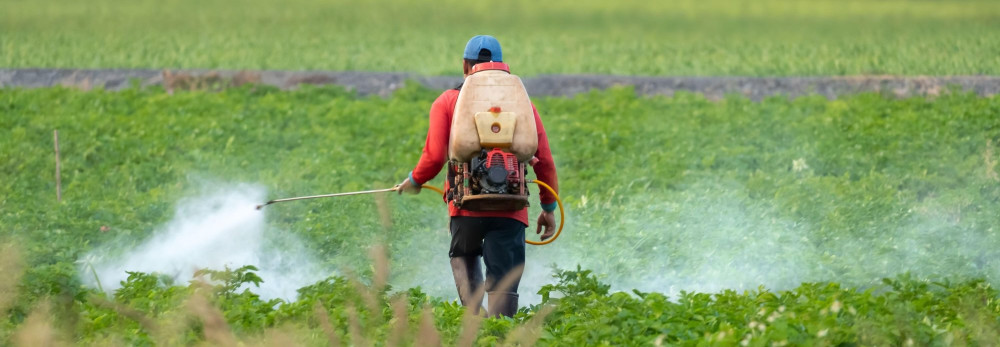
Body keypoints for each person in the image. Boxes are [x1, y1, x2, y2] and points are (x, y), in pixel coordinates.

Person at [396, 35, 559, 318]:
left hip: (465, 205)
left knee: (464, 256)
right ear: (501, 68)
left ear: (465, 66)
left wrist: (415, 180)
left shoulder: (447, 102)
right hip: (511, 208)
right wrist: (548, 208)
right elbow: (543, 160)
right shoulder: (523, 106)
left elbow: (434, 157)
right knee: (504, 277)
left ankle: (475, 322)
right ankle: (501, 330)